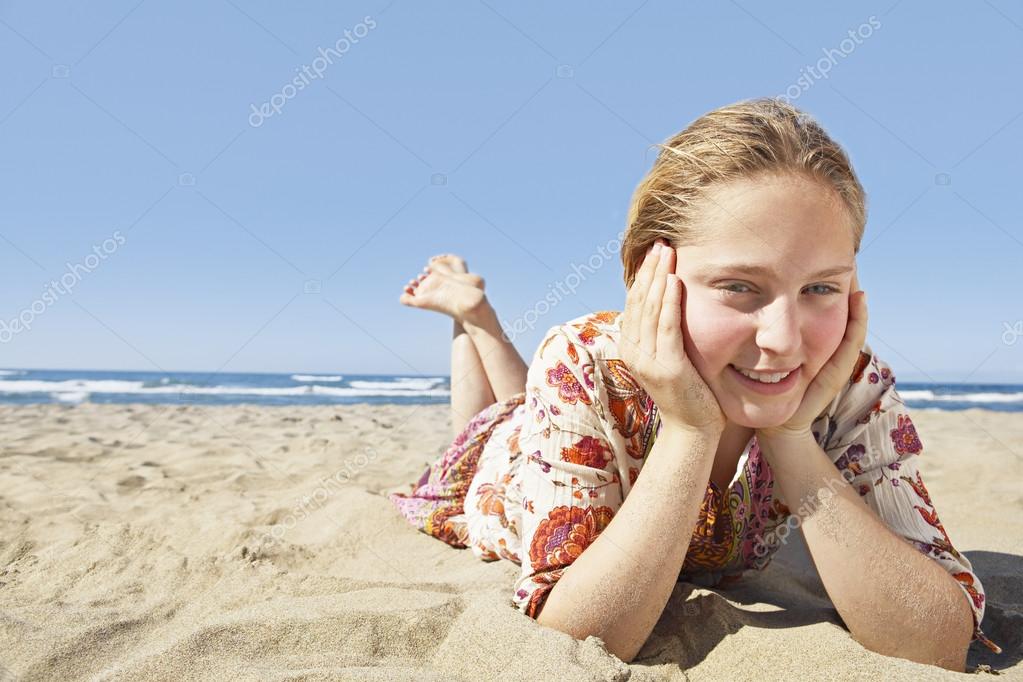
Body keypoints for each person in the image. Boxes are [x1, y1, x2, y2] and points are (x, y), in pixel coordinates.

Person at [388, 98, 1001, 669]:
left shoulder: (848, 381)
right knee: (488, 430)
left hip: (560, 419)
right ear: (643, 274)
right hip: (509, 471)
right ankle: (473, 318)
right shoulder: (583, 358)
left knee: (518, 408)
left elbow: (939, 642)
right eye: (739, 286)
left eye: (820, 287)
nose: (784, 341)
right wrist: (689, 429)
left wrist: (790, 435)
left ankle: (477, 320)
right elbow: (578, 639)